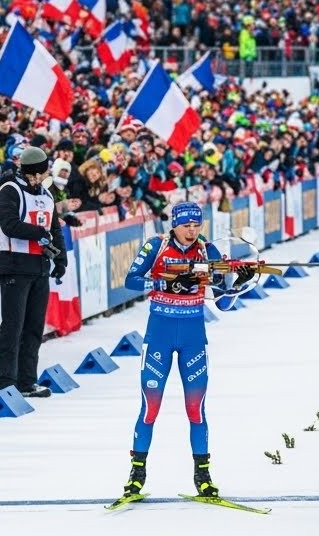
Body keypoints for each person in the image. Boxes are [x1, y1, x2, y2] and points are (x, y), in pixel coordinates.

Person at [119, 201, 254, 500]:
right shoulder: (156, 245)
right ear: (174, 225)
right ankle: (136, 475)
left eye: (196, 225)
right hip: (159, 335)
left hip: (193, 337)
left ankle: (203, 476)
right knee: (150, 407)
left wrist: (238, 283)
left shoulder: (208, 251)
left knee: (195, 408)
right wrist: (165, 282)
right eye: (186, 226)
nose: (192, 231)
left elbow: (223, 303)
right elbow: (130, 280)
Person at [0, 146, 65, 398]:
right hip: (14, 265)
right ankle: (6, 383)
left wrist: (60, 259)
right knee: (13, 327)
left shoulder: (46, 194)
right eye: (40, 172)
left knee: (34, 327)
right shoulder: (9, 190)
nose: (42, 177)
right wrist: (39, 233)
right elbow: (9, 225)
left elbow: (54, 228)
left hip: (39, 266)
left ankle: (26, 381)